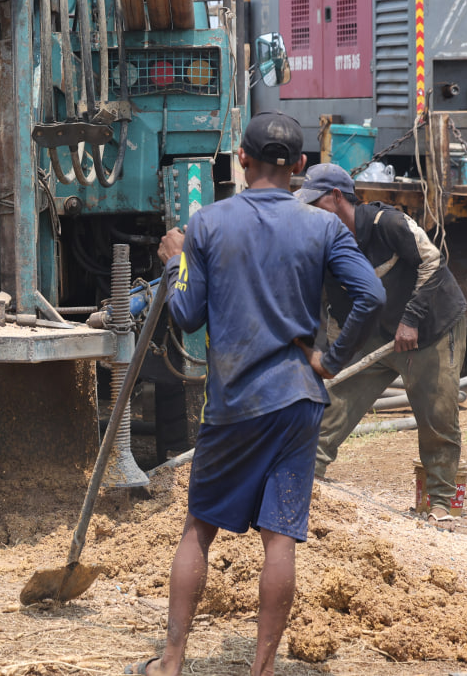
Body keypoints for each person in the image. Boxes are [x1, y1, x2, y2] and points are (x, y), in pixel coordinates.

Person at [129, 113, 385, 676]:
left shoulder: (208, 223)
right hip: (298, 402)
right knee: (280, 540)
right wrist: (330, 361)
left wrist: (175, 262)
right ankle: (262, 670)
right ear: (300, 166)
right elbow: (371, 293)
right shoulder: (322, 227)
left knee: (199, 528)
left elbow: (187, 315)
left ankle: (170, 664)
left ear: (242, 159)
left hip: (235, 403)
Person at [294, 163, 467, 522]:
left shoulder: (386, 223)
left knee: (437, 416)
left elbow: (433, 263)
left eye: (314, 203)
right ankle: (306, 482)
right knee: (333, 403)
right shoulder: (325, 244)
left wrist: (411, 320)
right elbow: (334, 306)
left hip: (430, 328)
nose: (308, 213)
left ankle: (440, 504)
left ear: (337, 197)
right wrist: (334, 358)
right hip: (376, 334)